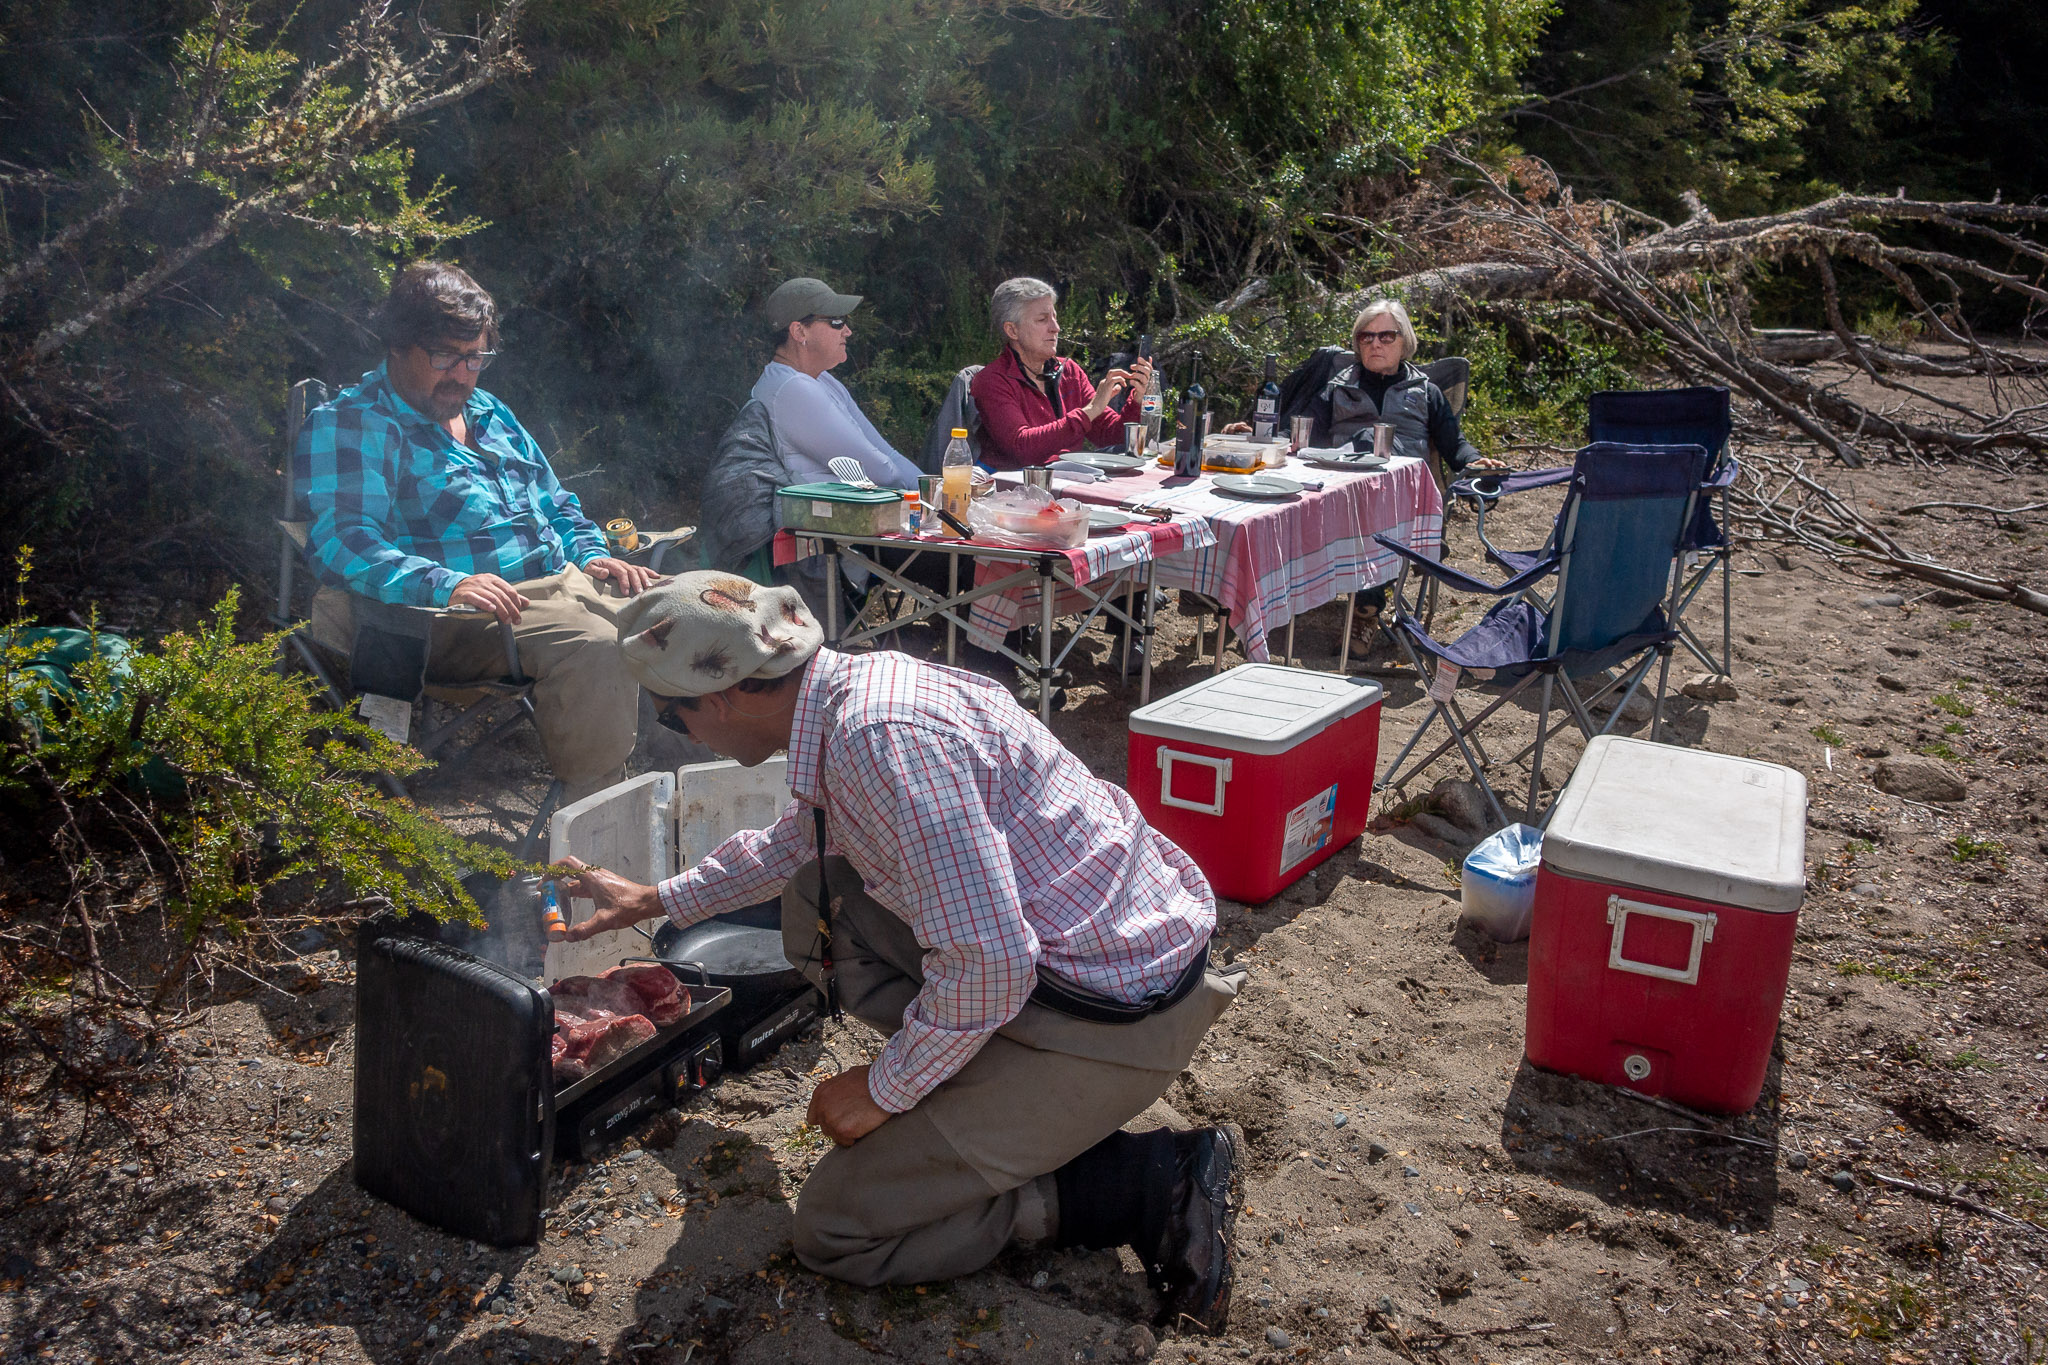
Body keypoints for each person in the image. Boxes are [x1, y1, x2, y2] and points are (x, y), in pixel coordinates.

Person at [555, 572, 1243, 1331]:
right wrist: (654, 898)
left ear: (721, 696)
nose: (676, 729)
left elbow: (993, 960)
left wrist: (885, 1088)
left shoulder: (877, 742)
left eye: (670, 715)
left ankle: (1147, 1182)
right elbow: (794, 843)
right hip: (1095, 962)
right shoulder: (852, 695)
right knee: (824, 893)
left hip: (1115, 1019)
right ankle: (987, 1095)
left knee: (836, 1227)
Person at [294, 261, 665, 803]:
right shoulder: (353, 423)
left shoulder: (491, 412)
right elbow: (343, 541)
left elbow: (556, 503)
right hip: (449, 617)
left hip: (562, 584)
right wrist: (445, 583)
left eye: (476, 358)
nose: (463, 375)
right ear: (397, 346)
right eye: (445, 356)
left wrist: (592, 554)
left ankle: (699, 797)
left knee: (698, 605)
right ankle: (593, 838)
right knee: (597, 645)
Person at [1226, 299, 1506, 651]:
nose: (1375, 344)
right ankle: (1256, 601)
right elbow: (1301, 436)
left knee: (1376, 499)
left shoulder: (1425, 392)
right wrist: (1254, 438)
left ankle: (1366, 611)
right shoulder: (1337, 387)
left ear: (1404, 341)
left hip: (1401, 500)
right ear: (1357, 344)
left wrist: (1477, 463)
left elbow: (1456, 445)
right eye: (1366, 337)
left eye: (1386, 336)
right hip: (1343, 493)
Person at [753, 277, 923, 489]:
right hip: (817, 520)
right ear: (799, 331)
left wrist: (939, 493)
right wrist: (932, 500)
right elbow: (879, 471)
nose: (847, 331)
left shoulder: (822, 380)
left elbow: (888, 454)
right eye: (836, 321)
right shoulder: (792, 389)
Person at [970, 277, 1153, 470]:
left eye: (1054, 318)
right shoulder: (991, 381)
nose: (1055, 328)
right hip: (1015, 491)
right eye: (1042, 320)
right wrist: (1090, 410)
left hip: (1067, 485)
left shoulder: (1069, 371)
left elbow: (1109, 434)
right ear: (1012, 330)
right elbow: (1023, 448)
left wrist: (1138, 400)